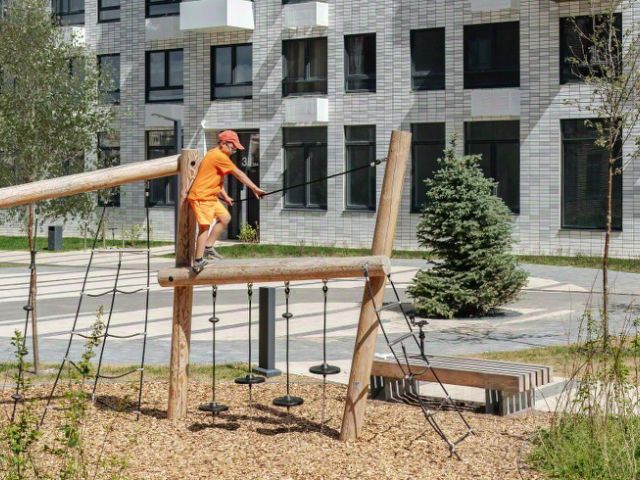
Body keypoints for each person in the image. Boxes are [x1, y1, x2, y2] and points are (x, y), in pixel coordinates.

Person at [187, 130, 265, 273]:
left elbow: (216, 179)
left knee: (225, 217)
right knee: (204, 227)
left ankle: (208, 247)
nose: (234, 150)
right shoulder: (218, 156)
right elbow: (239, 174)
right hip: (201, 197)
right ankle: (198, 261)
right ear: (223, 143)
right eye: (233, 147)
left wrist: (226, 196)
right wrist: (255, 188)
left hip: (211, 196)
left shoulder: (215, 154)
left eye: (235, 148)